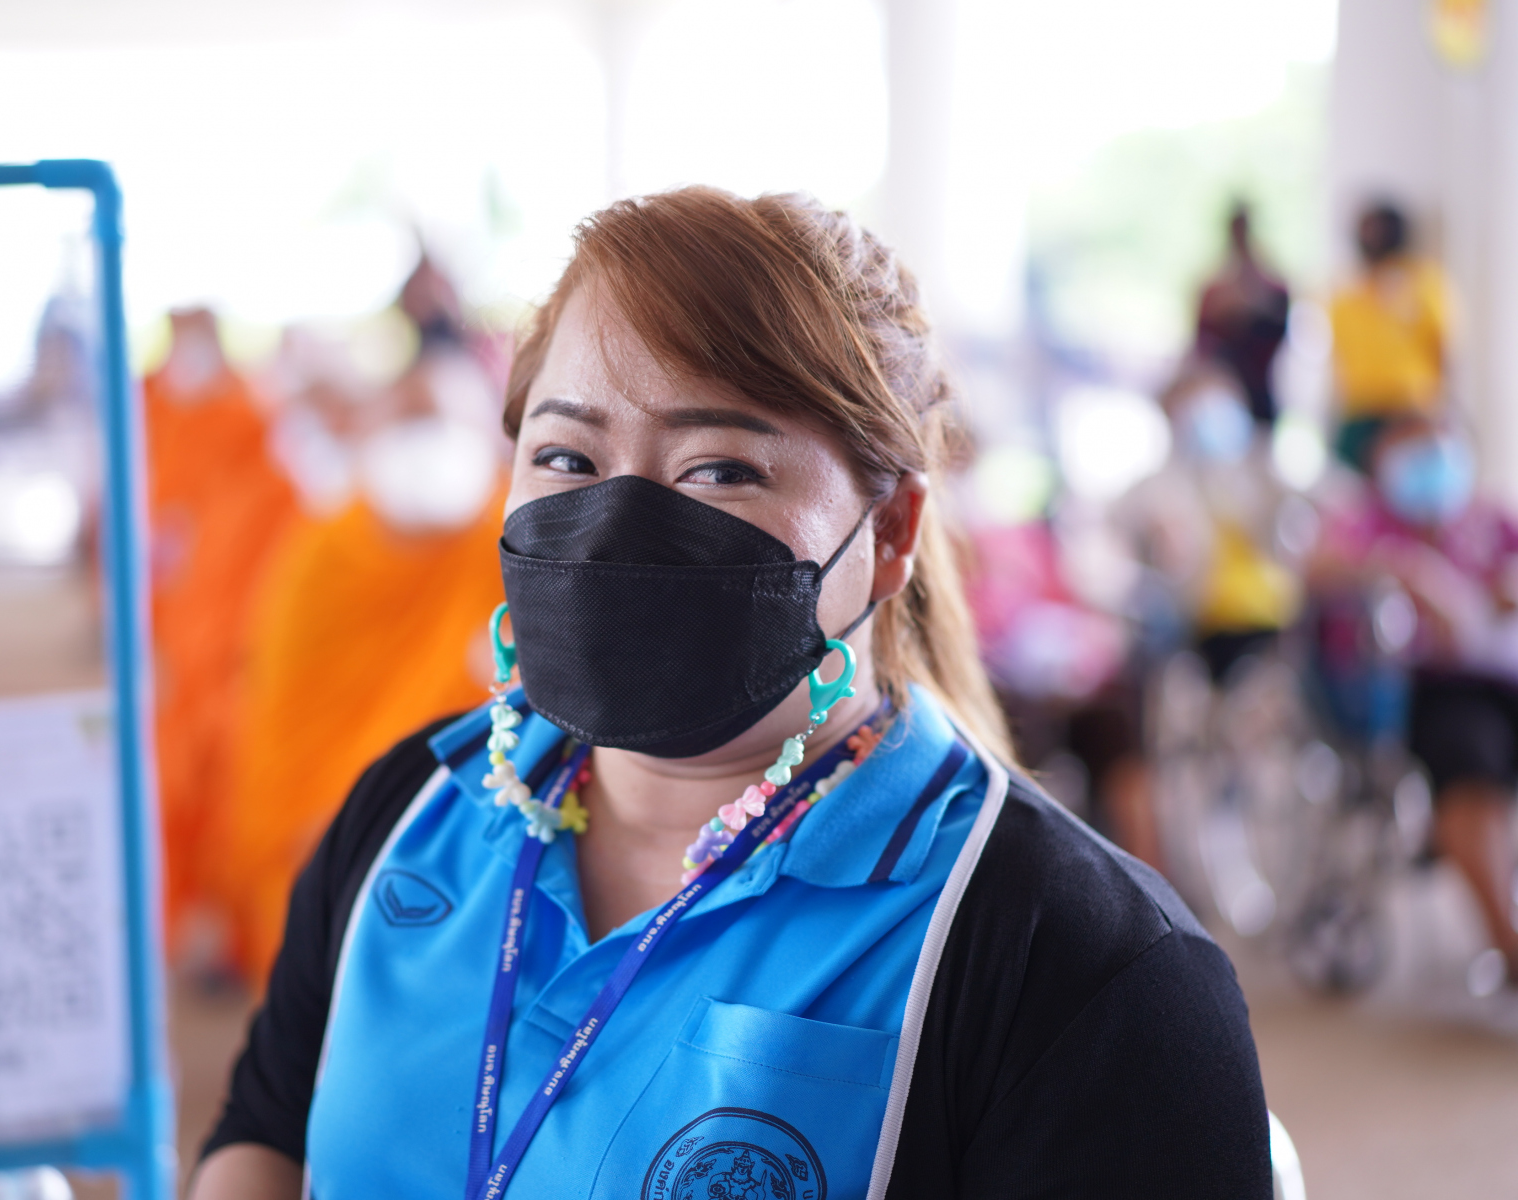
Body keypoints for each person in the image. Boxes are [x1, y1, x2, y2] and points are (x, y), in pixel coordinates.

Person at [193, 189, 1270, 1198]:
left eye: (719, 470)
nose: (615, 524)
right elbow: (267, 1131)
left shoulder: (1074, 966)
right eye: (565, 455)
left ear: (891, 532)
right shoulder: (412, 811)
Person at [218, 261, 511, 991]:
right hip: (322, 829)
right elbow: (279, 711)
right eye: (409, 422)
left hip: (473, 835)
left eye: (441, 424)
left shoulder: (508, 540)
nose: (427, 445)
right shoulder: (323, 552)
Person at [1312, 414, 1518, 981]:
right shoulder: (1363, 524)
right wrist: (1402, 569)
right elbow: (1316, 568)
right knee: (1471, 760)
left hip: (1502, 674)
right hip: (1422, 690)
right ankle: (1507, 940)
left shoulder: (1489, 521)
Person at [142, 307, 299, 961]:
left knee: (232, 780)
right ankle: (187, 915)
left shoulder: (254, 428)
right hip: (184, 638)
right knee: (179, 777)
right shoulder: (158, 416)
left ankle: (227, 925)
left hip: (239, 647)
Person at [1329, 201, 1453, 473]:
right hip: (1359, 411)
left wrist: (1440, 408)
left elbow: (1444, 347)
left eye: (1377, 228)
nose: (1370, 237)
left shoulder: (1424, 284)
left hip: (1411, 412)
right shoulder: (1348, 292)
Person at [1195, 202, 1291, 427]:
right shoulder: (1214, 290)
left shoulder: (1271, 286)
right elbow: (1203, 344)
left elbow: (1279, 328)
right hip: (1224, 392)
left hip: (1260, 391)